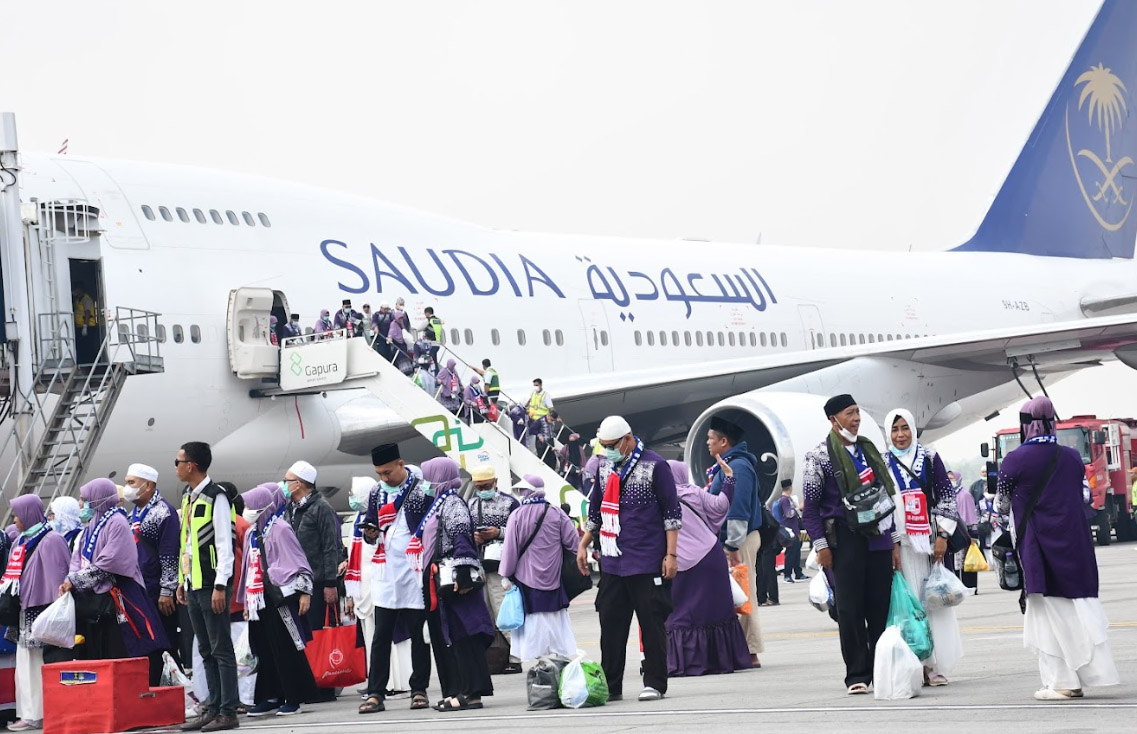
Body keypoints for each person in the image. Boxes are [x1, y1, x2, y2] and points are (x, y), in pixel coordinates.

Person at [997, 397, 1120, 700]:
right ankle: (1077, 676)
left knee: (1047, 614)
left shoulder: (1014, 460)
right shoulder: (1071, 457)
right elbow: (1086, 498)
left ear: (1026, 424)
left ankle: (1064, 681)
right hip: (1074, 543)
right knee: (1075, 609)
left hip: (1038, 546)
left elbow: (1000, 505)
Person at [801, 394, 900, 695]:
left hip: (879, 540)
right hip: (844, 541)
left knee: (879, 608)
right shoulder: (818, 456)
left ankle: (881, 669)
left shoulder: (871, 451)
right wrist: (821, 546)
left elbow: (886, 500)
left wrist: (894, 542)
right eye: (849, 413)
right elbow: (810, 508)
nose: (856, 418)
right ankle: (856, 673)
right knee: (849, 610)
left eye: (858, 412)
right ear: (833, 420)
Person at [578, 415, 681, 702]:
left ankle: (655, 682)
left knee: (651, 623)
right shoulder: (604, 466)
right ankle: (612, 684)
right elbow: (596, 510)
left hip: (647, 558)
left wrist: (671, 555)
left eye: (612, 445)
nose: (608, 450)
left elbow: (671, 514)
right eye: (604, 445)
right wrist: (583, 543)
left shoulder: (655, 465)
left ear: (628, 439)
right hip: (613, 559)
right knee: (610, 623)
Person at [883, 408, 964, 686]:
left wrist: (942, 535)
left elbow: (947, 498)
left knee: (932, 604)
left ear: (914, 429)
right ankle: (914, 664)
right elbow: (882, 505)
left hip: (930, 545)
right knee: (908, 605)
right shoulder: (882, 462)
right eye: (894, 430)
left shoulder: (929, 458)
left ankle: (935, 666)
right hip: (902, 546)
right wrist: (891, 543)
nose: (901, 435)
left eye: (905, 428)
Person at [358, 443, 434, 715]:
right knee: (381, 637)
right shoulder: (377, 492)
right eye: (379, 473)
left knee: (417, 634)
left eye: (388, 472)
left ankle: (419, 689)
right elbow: (369, 524)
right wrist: (369, 533)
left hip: (413, 570)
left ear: (401, 465)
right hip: (385, 572)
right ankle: (376, 692)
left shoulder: (421, 489)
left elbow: (430, 524)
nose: (384, 478)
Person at [62, 479, 170, 660]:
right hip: (95, 603)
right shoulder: (91, 527)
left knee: (122, 653)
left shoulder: (117, 522)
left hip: (119, 600)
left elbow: (110, 562)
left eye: (85, 499)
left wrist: (75, 581)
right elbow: (77, 559)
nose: (81, 504)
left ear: (99, 499)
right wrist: (69, 579)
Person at [419, 458, 495, 712]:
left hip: (456, 581)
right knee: (456, 636)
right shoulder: (442, 503)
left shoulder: (453, 504)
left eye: (429, 477)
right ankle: (461, 690)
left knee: (466, 635)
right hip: (445, 579)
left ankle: (471, 694)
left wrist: (462, 573)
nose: (425, 483)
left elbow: (461, 535)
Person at [237, 483, 317, 717]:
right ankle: (270, 695)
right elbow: (247, 568)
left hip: (280, 597)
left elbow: (298, 561)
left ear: (264, 505)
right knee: (262, 647)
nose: (248, 510)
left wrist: (305, 593)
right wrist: (246, 600)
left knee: (285, 646)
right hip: (258, 599)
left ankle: (293, 696)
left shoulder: (280, 528)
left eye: (252, 505)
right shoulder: (253, 531)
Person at [665, 460, 751, 677]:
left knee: (682, 612)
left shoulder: (660, 499)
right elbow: (722, 505)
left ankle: (687, 662)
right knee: (715, 612)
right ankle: (721, 660)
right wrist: (729, 478)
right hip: (710, 557)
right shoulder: (694, 492)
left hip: (678, 562)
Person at [176, 442, 240, 732]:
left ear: (191, 465)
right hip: (192, 583)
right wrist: (181, 580)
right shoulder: (188, 497)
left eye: (178, 461)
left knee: (221, 649)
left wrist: (220, 585)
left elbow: (226, 545)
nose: (176, 467)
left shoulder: (218, 496)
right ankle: (212, 707)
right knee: (205, 650)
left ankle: (228, 711)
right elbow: (187, 543)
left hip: (211, 584)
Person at [3, 495, 72, 732]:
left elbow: (57, 577)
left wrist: (54, 609)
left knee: (35, 664)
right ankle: (27, 712)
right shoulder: (22, 540)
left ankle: (37, 714)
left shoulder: (51, 539)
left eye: (17, 514)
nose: (14, 519)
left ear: (28, 514)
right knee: (24, 664)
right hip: (23, 610)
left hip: (41, 611)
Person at [498, 475, 580, 662]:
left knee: (534, 624)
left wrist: (505, 575)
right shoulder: (556, 512)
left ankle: (542, 665)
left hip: (527, 580)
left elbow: (511, 549)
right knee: (556, 620)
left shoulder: (517, 515)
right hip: (554, 579)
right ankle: (560, 660)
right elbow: (574, 543)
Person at [344, 477, 412, 698]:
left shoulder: (383, 514)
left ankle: (396, 682)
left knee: (386, 633)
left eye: (354, 493)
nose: (351, 498)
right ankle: (377, 680)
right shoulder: (358, 518)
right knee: (372, 636)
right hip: (362, 583)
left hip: (380, 579)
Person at [705, 418, 765, 663]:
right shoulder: (726, 465)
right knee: (737, 594)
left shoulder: (737, 467)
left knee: (744, 593)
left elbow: (738, 509)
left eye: (710, 438)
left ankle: (750, 651)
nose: (707, 443)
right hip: (734, 539)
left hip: (740, 540)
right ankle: (741, 649)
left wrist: (732, 546)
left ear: (723, 441)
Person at [283, 460, 343, 703]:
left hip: (318, 581)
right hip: (297, 582)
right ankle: (308, 683)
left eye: (288, 480)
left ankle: (325, 684)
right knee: (302, 635)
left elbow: (331, 547)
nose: (285, 485)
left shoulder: (321, 508)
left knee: (319, 634)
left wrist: (330, 583)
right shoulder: (291, 507)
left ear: (299, 483)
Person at [123, 463, 183, 685]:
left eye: (132, 483)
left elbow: (169, 553)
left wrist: (167, 590)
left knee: (165, 641)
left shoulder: (163, 512)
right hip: (140, 588)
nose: (127, 487)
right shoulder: (134, 513)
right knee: (148, 642)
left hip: (158, 590)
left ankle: (177, 690)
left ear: (147, 485)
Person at [467, 465, 521, 674]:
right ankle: (496, 657)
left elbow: (520, 531)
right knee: (486, 616)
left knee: (504, 614)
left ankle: (516, 658)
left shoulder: (510, 503)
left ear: (496, 482)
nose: (482, 490)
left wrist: (498, 533)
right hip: (479, 567)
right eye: (479, 487)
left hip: (501, 569)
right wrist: (475, 537)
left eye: (486, 486)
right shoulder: (471, 504)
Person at [951, 470, 980, 593]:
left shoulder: (965, 495)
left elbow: (971, 516)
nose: (950, 481)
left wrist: (973, 535)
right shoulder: (950, 495)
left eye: (952, 478)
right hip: (953, 532)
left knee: (968, 562)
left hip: (966, 533)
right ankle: (959, 588)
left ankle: (970, 587)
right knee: (957, 563)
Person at [776, 480, 808, 582]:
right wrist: (799, 508)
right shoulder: (785, 500)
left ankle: (798, 572)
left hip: (794, 530)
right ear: (790, 487)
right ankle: (788, 574)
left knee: (796, 552)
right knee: (791, 553)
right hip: (791, 531)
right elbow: (788, 514)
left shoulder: (787, 499)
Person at [525, 380, 553, 452]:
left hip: (541, 421)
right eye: (534, 385)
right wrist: (527, 407)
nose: (535, 387)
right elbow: (529, 402)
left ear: (541, 385)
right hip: (532, 419)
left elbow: (550, 407)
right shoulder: (533, 393)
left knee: (541, 438)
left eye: (536, 385)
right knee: (531, 432)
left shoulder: (545, 395)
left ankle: (541, 452)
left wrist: (555, 417)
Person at [387, 309, 414, 376]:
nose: (401, 319)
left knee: (405, 357)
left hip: (403, 343)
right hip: (398, 344)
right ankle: (404, 372)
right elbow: (391, 332)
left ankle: (408, 371)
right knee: (401, 358)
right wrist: (389, 338)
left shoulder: (401, 323)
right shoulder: (393, 324)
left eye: (402, 318)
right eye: (399, 318)